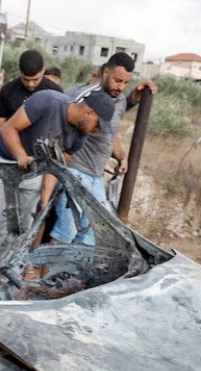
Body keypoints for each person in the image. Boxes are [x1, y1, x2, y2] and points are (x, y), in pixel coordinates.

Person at [0, 88, 113, 257]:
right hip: (2, 163)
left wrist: (45, 200)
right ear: (89, 112)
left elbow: (55, 167)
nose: (97, 130)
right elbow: (8, 129)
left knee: (22, 227)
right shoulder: (47, 101)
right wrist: (21, 156)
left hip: (33, 173)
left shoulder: (80, 136)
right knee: (2, 226)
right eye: (98, 124)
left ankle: (8, 268)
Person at [53, 53, 157, 245]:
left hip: (96, 176)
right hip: (75, 170)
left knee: (94, 232)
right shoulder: (85, 96)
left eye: (125, 83)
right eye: (117, 80)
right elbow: (59, 114)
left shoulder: (120, 101)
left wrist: (121, 157)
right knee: (66, 231)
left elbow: (111, 133)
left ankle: (68, 274)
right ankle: (42, 272)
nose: (120, 87)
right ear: (106, 72)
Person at [0, 49, 63, 138]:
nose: (30, 84)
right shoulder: (7, 90)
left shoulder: (55, 93)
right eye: (25, 79)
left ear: (43, 70)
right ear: (20, 71)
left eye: (35, 79)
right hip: (9, 145)